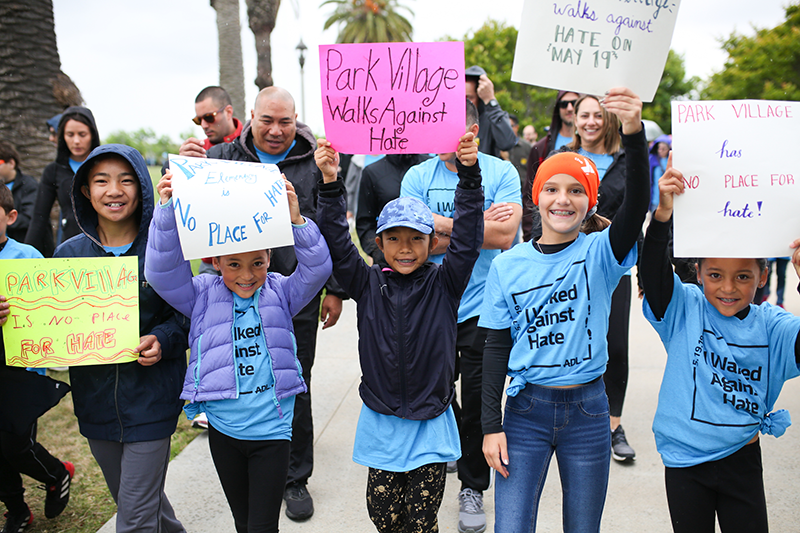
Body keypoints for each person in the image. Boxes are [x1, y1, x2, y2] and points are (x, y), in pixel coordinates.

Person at [480, 87, 648, 532]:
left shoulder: (601, 253)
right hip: (525, 413)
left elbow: (633, 210)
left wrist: (632, 132)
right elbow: (494, 348)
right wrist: (489, 425)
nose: (563, 199)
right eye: (551, 188)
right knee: (511, 527)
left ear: (590, 202)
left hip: (590, 412)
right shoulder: (508, 265)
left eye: (576, 191)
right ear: (536, 196)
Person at [315, 126, 483, 533]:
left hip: (431, 419)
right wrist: (330, 183)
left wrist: (469, 175)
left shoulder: (445, 283)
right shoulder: (366, 283)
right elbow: (336, 242)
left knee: (421, 521)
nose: (405, 248)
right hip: (382, 418)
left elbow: (467, 237)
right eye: (394, 239)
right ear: (379, 242)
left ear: (431, 243)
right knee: (384, 516)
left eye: (415, 239)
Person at [145, 171, 331, 533]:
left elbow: (318, 268)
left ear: (270, 259)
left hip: (272, 431)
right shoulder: (200, 294)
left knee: (262, 527)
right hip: (224, 430)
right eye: (234, 264)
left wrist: (296, 221)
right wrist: (166, 212)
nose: (247, 275)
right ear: (216, 262)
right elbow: (162, 272)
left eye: (257, 263)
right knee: (243, 523)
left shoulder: (281, 292)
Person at [207, 86, 346, 521]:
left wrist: (336, 288)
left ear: (296, 119)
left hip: (292, 298)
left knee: (294, 380)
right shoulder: (223, 159)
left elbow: (330, 226)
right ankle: (245, 460)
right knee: (240, 376)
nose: (275, 129)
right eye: (266, 120)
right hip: (231, 293)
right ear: (250, 116)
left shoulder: (313, 161)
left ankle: (294, 476)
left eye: (284, 121)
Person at [641, 158, 800, 533]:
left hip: (742, 460)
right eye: (715, 275)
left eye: (743, 276)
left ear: (763, 276)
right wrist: (663, 215)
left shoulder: (773, 326)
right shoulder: (685, 308)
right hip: (685, 464)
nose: (728, 288)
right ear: (697, 273)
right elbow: (653, 273)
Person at [54, 144, 189, 533]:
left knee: (133, 521)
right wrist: (16, 316)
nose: (114, 190)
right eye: (101, 181)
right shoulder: (67, 256)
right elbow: (50, 322)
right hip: (95, 406)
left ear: (142, 188)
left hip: (152, 401)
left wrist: (163, 339)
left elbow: (187, 315)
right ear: (85, 191)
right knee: (139, 502)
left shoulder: (165, 248)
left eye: (126, 180)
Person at [401, 99, 521, 533]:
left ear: (470, 127)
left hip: (484, 307)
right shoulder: (418, 175)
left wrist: (439, 225)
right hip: (431, 304)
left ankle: (473, 486)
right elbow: (411, 244)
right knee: (434, 394)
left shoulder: (501, 172)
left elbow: (505, 235)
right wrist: (472, 225)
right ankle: (438, 463)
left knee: (477, 403)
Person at [0, 184, 74, 533]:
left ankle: (55, 473)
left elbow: (50, 312)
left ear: (11, 217)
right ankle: (17, 510)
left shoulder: (27, 258)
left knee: (15, 443)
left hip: (19, 371)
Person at [26, 106, 100, 257]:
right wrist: (26, 255)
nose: (76, 141)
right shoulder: (53, 171)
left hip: (104, 246)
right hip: (70, 247)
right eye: (70, 134)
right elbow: (39, 217)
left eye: (82, 134)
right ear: (62, 136)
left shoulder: (105, 166)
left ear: (92, 134)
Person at [522, 91, 580, 241]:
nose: (569, 108)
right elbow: (530, 192)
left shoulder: (594, 146)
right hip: (548, 234)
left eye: (574, 103)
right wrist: (531, 235)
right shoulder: (541, 147)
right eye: (563, 104)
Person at [356, 153, 430, 266]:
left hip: (429, 261)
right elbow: (365, 222)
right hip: (388, 264)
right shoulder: (372, 172)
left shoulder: (431, 167)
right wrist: (382, 254)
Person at [464, 65, 517, 159]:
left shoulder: (490, 118)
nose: (465, 102)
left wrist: (490, 100)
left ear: (480, 98)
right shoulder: (453, 119)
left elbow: (507, 143)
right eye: (462, 97)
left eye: (470, 98)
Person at [0, 142, 37, 243]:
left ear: (11, 163)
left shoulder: (29, 185)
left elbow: (29, 219)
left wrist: (4, 221)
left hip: (20, 244)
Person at [649, 135, 671, 212]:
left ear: (669, 149)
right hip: (655, 199)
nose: (660, 151)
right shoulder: (652, 160)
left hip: (668, 199)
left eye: (663, 149)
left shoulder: (671, 160)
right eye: (659, 148)